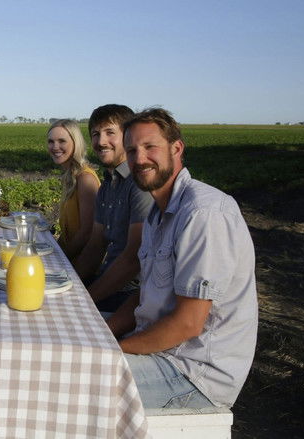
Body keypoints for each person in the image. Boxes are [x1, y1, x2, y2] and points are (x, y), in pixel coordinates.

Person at [108, 108, 258, 408]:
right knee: (59, 339)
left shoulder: (203, 213)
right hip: (161, 350)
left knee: (69, 380)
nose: (139, 159)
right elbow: (146, 293)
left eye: (150, 147)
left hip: (193, 372)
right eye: (132, 150)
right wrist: (102, 333)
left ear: (177, 149)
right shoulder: (157, 214)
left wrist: (111, 351)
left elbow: (187, 324)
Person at [74, 104, 154, 312]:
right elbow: (95, 244)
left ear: (128, 136)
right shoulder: (108, 185)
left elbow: (133, 258)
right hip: (108, 277)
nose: (101, 142)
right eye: (95, 134)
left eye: (110, 132)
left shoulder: (140, 183)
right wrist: (70, 284)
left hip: (132, 292)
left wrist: (85, 302)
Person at [47, 119, 100, 262]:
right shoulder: (71, 176)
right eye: (51, 141)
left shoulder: (85, 179)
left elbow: (87, 233)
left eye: (62, 141)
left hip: (80, 265)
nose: (55, 147)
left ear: (76, 143)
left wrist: (59, 261)